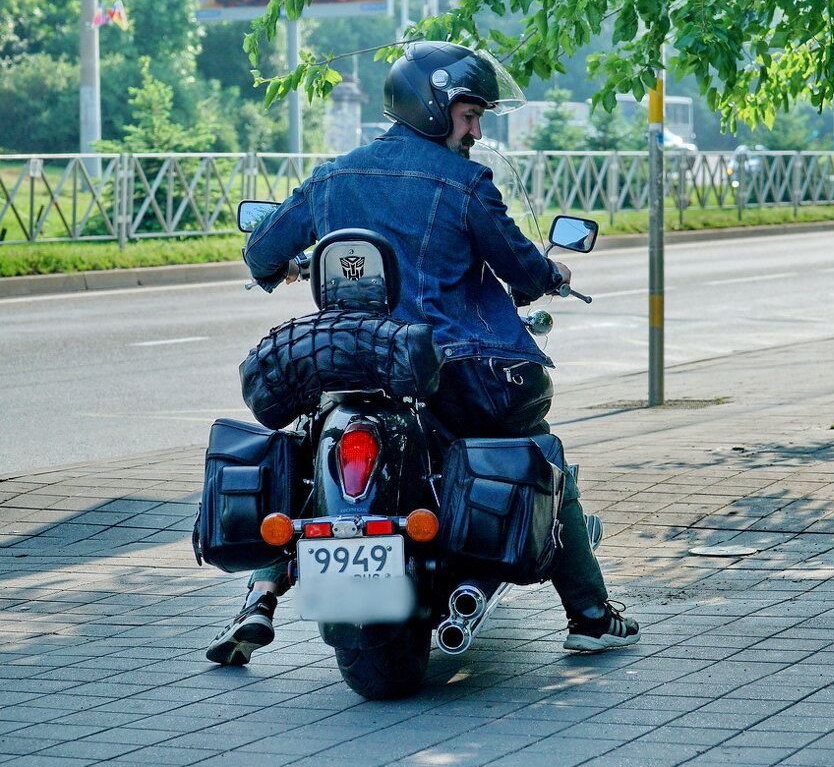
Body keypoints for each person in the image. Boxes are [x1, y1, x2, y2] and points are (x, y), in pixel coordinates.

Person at [205, 42, 639, 665]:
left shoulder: (332, 176)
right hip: (458, 369)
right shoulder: (464, 184)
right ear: (431, 109)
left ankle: (262, 593)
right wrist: (552, 273)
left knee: (304, 455)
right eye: (469, 113)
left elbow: (261, 253)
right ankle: (589, 615)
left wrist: (292, 265)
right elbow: (517, 262)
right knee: (540, 453)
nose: (477, 128)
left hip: (348, 366)